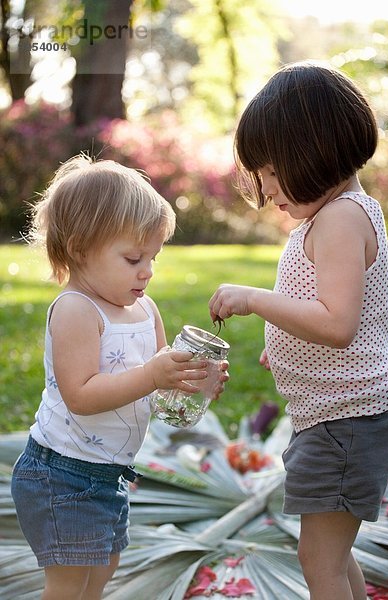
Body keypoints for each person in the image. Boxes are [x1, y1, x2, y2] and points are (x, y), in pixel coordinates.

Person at [209, 61, 388, 600]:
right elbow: (378, 303)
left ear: (311, 152)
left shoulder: (339, 219)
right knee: (329, 558)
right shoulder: (347, 214)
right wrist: (292, 344)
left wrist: (255, 301)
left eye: (270, 170)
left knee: (320, 561)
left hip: (348, 422)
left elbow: (338, 324)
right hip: (341, 417)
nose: (266, 187)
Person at [11, 154, 228, 600]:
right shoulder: (75, 310)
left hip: (109, 475)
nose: (147, 270)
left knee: (102, 572)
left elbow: (158, 388)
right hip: (61, 475)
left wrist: (193, 383)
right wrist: (152, 374)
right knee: (68, 586)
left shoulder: (145, 310)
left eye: (153, 257)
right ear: (79, 248)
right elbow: (81, 395)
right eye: (133, 258)